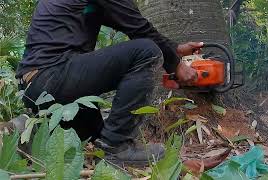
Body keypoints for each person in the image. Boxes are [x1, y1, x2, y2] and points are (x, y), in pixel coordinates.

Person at [16, 0, 203, 165]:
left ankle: (22, 131)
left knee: (93, 138)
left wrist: (175, 50)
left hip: (37, 85)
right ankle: (117, 147)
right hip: (52, 76)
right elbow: (138, 27)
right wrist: (176, 66)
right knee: (146, 51)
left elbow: (127, 21)